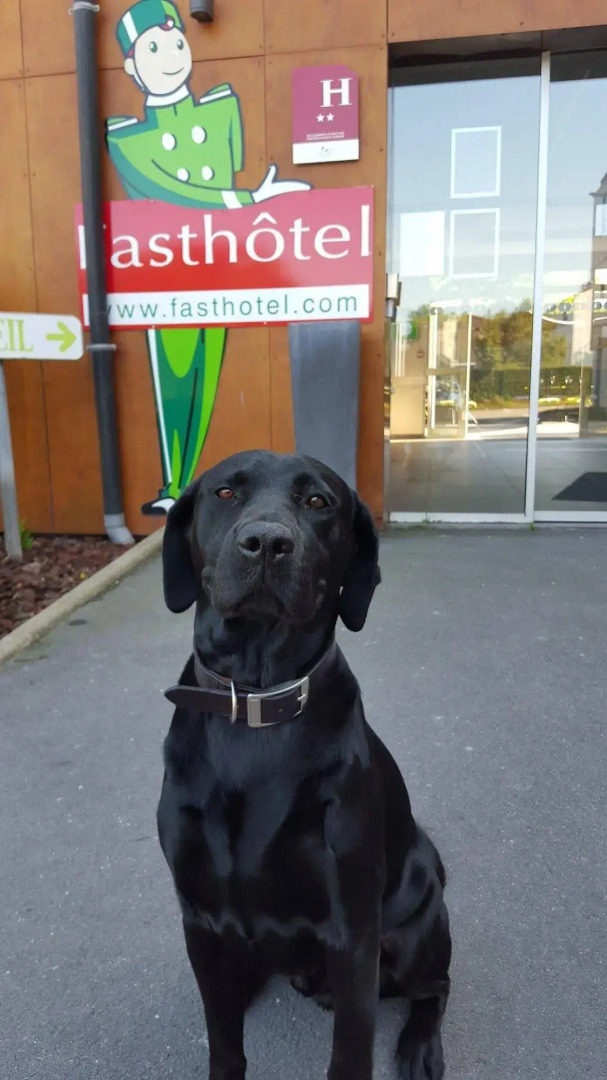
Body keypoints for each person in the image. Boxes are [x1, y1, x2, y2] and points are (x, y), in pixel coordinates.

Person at [107, 0, 310, 513]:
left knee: (208, 378)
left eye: (176, 43)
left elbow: (225, 168)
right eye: (153, 48)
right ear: (132, 66)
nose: (171, 55)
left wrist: (242, 202)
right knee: (173, 385)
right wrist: (246, 200)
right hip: (165, 276)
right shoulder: (127, 139)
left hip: (221, 273)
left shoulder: (221, 108)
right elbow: (173, 193)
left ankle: (194, 488)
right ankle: (175, 486)